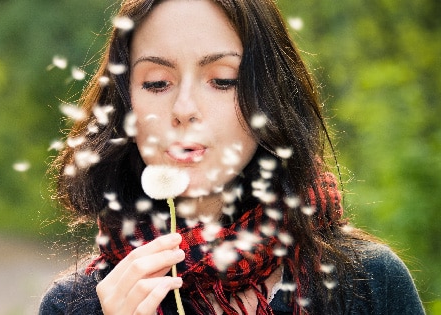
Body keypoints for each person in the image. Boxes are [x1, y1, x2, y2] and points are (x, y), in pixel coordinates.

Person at [40, 0, 425, 314]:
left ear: (269, 97)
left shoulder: (368, 283)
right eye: (157, 83)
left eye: (222, 80)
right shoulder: (77, 305)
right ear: (125, 107)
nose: (185, 108)